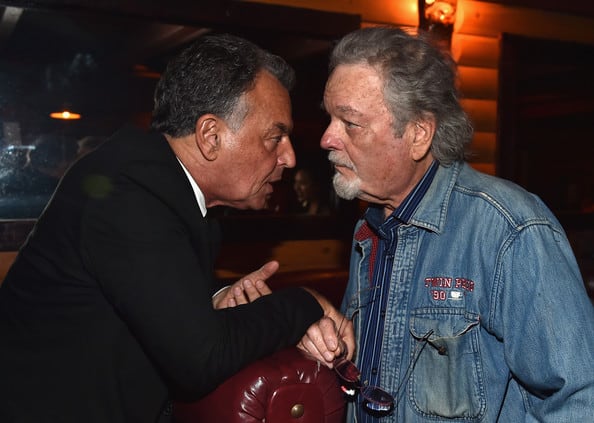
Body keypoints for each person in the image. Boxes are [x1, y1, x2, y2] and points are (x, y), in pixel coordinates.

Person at [0, 33, 353, 423]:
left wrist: (215, 297)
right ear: (210, 137)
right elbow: (200, 360)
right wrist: (303, 302)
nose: (288, 157)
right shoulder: (131, 194)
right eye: (275, 137)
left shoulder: (155, 183)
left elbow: (144, 288)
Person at [320, 26, 594, 422]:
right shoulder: (371, 227)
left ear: (418, 134)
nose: (328, 138)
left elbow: (582, 396)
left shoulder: (508, 229)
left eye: (350, 123)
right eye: (329, 118)